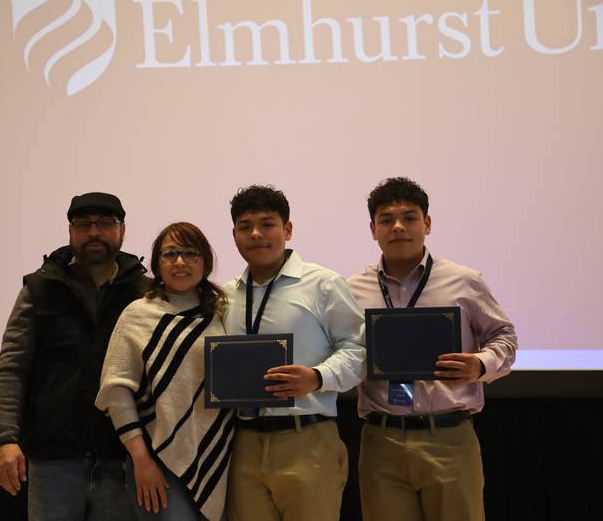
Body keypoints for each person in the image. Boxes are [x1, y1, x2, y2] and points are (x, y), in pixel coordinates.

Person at [347, 177, 518, 521]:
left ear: (427, 224)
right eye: (386, 220)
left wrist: (480, 366)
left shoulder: (464, 281)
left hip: (450, 437)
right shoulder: (352, 289)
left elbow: (504, 337)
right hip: (382, 440)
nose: (398, 227)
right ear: (372, 229)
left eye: (409, 218)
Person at [0, 192, 151, 521]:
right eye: (83, 223)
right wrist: (4, 438)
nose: (94, 231)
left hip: (122, 459)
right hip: (53, 459)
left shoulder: (145, 292)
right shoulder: (39, 289)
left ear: (122, 230)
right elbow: (12, 368)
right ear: (70, 231)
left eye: (106, 223)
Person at [222, 185, 366, 521]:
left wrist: (317, 377)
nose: (256, 234)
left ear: (287, 229)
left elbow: (359, 349)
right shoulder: (225, 295)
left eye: (267, 224)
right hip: (243, 445)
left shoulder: (323, 284)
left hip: (308, 440)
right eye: (245, 227)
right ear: (234, 235)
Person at [95, 222, 233, 521]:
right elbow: (115, 392)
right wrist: (141, 460)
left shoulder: (222, 312)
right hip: (156, 463)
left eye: (190, 254)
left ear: (205, 261)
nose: (180, 262)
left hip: (219, 464)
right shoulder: (137, 314)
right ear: (157, 263)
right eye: (170, 254)